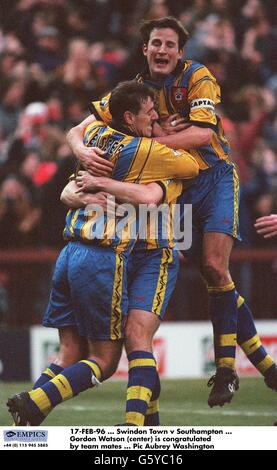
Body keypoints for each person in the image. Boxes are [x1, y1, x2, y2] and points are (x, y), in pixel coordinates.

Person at [66, 16, 277, 408]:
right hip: (170, 189)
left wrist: (160, 139)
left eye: (169, 45)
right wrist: (79, 150)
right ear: (145, 49)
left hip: (212, 179)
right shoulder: (132, 89)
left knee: (215, 268)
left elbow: (202, 134)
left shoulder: (198, 76)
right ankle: (266, 367)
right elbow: (78, 129)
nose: (161, 50)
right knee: (213, 276)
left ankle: (227, 369)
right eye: (155, 44)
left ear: (180, 52)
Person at [7, 81, 198, 426]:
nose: (158, 117)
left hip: (72, 253)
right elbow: (161, 188)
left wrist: (92, 178)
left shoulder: (97, 137)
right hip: (107, 256)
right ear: (130, 116)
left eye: (162, 113)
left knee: (71, 352)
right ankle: (42, 403)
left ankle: (23, 432)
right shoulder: (151, 154)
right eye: (153, 113)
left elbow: (68, 189)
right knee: (109, 359)